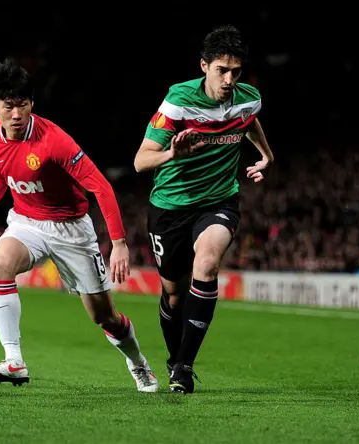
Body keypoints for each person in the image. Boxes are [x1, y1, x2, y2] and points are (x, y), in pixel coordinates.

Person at [0, 57, 159, 392]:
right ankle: (14, 361)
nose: (17, 114)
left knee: (104, 317)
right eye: (8, 106)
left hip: (71, 229)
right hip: (27, 222)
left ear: (32, 103)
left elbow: (101, 187)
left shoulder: (54, 141)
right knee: (1, 262)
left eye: (23, 105)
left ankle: (138, 363)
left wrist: (119, 244)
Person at [133, 25, 274, 394]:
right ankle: (173, 355)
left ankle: (184, 366)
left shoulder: (248, 98)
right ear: (203, 66)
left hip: (219, 200)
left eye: (236, 71)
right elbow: (140, 161)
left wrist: (266, 155)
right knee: (173, 295)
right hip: (170, 206)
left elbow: (248, 120)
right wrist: (172, 154)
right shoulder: (178, 101)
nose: (229, 79)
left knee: (208, 262)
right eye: (221, 70)